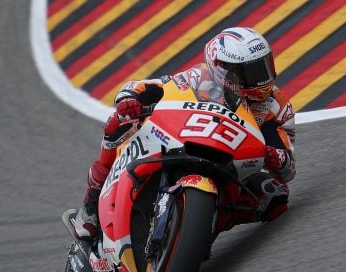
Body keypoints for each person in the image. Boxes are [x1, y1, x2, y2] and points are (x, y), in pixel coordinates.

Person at [75, 27, 296, 240]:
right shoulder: (198, 78)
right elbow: (148, 86)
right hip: (185, 140)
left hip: (233, 165)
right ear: (223, 69)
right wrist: (129, 100)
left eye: (264, 67)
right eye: (252, 72)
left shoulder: (277, 106)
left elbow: (288, 170)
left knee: (275, 195)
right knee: (118, 122)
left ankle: (200, 231)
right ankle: (91, 205)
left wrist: (276, 157)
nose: (262, 79)